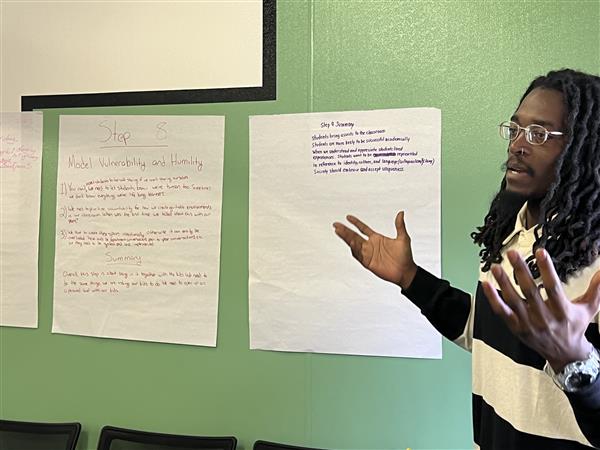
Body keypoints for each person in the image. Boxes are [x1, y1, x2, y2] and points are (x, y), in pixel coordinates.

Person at [333, 69, 600, 450]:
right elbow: (485, 335)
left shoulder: (594, 262)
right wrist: (411, 278)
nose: (517, 145)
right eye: (515, 130)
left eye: (539, 134)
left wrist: (574, 360)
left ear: (586, 148)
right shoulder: (509, 236)